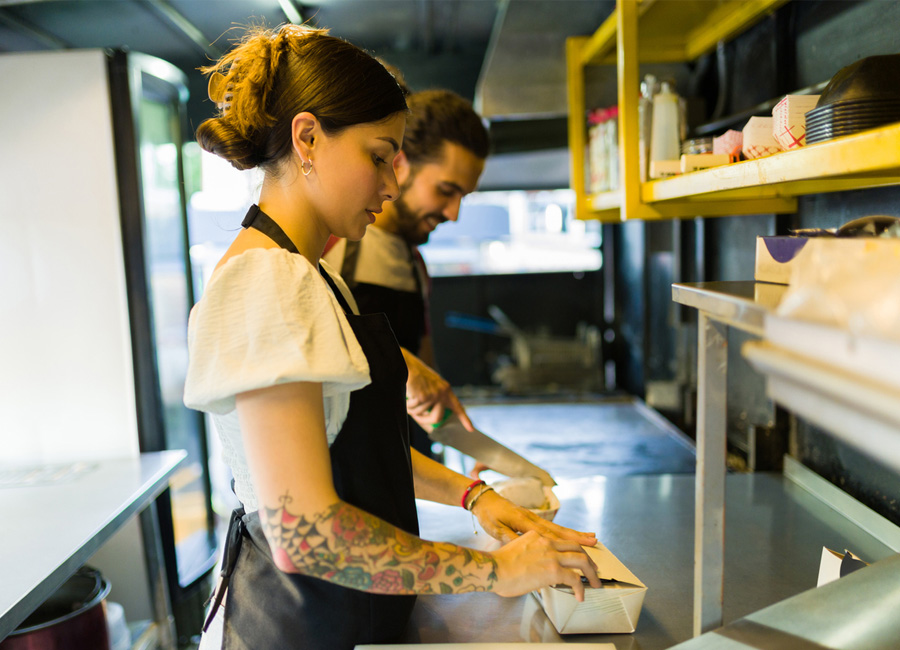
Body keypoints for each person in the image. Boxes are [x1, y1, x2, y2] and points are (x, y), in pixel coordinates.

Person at [183, 24, 600, 650]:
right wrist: (497, 570)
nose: (390, 183)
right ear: (307, 139)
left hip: (350, 619)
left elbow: (354, 454)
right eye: (379, 156)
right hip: (300, 627)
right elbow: (306, 536)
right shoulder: (266, 283)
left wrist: (473, 496)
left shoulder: (313, 275)